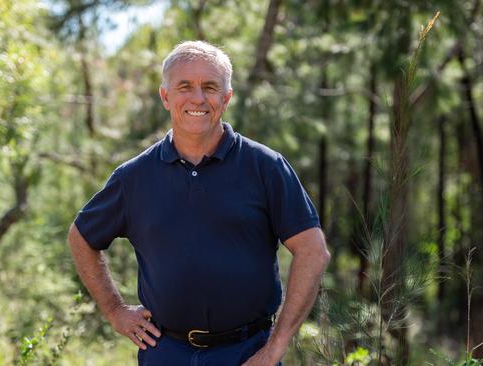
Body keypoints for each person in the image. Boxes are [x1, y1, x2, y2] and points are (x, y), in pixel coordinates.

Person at [68, 40, 330, 366]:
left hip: (248, 353)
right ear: (165, 97)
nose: (198, 98)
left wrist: (275, 348)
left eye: (210, 87)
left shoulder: (265, 166)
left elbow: (312, 250)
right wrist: (115, 311)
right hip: (165, 353)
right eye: (185, 87)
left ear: (226, 98)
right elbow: (81, 237)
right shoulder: (134, 177)